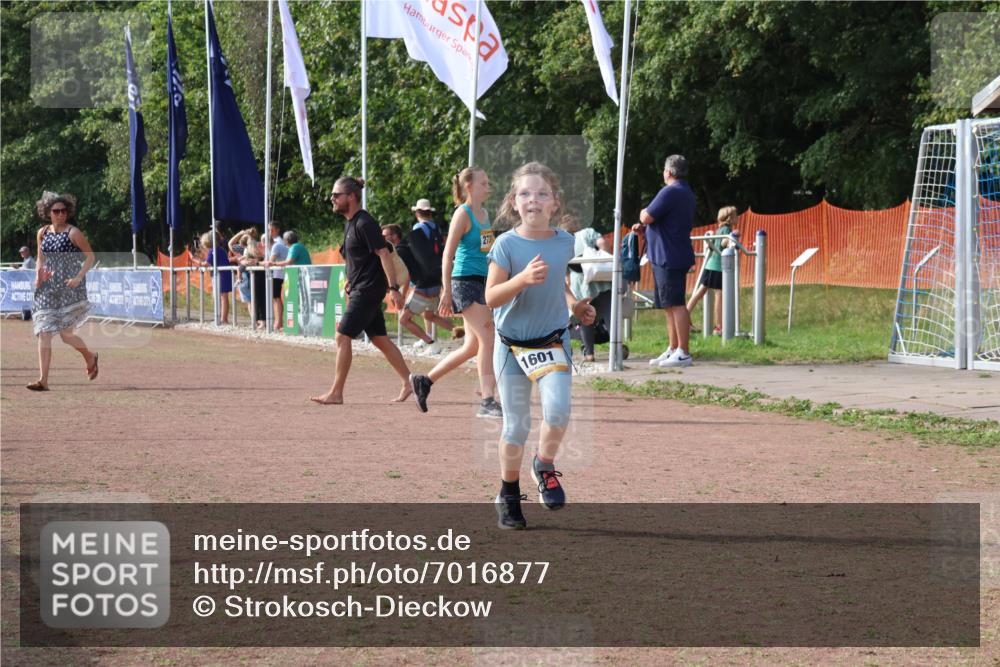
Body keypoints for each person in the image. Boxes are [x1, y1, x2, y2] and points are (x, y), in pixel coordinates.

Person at [485, 162, 596, 529]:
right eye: (525, 193)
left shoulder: (565, 242)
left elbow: (558, 283)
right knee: (516, 426)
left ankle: (544, 465)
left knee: (559, 412)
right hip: (512, 347)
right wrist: (521, 279)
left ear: (554, 203)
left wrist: (575, 305)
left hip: (552, 340)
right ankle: (509, 492)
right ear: (514, 203)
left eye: (541, 193)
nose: (533, 199)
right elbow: (491, 297)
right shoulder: (505, 244)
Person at [310, 177, 412, 405]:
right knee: (380, 339)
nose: (332, 199)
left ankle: (336, 393)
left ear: (352, 197)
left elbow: (383, 254)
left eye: (336, 195)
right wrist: (350, 281)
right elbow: (359, 260)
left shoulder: (365, 223)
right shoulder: (351, 223)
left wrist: (394, 288)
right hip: (360, 288)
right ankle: (409, 381)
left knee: (342, 335)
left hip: (368, 291)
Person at [409, 168, 502, 418]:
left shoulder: (485, 214)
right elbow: (447, 255)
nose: (488, 185)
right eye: (484, 182)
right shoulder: (463, 213)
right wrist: (446, 291)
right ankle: (488, 401)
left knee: (473, 346)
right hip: (464, 282)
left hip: (482, 282)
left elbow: (487, 251)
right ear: (469, 186)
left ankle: (424, 381)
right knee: (488, 338)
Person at [27, 192, 99, 391]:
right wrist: (38, 275)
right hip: (47, 288)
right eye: (56, 211)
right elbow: (40, 258)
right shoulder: (42, 233)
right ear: (48, 213)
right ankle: (43, 380)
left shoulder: (73, 233)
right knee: (44, 331)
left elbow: (90, 257)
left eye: (63, 211)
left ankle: (90, 356)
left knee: (66, 336)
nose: (60, 214)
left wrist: (78, 277)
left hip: (69, 287)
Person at [632, 154, 697, 368]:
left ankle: (683, 352)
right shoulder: (685, 192)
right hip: (669, 253)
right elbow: (660, 221)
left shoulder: (670, 191)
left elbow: (646, 216)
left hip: (669, 255)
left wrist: (643, 216)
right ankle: (673, 348)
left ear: (668, 172)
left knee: (676, 303)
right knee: (669, 304)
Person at [561, 214, 611, 362]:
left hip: (580, 284)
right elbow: (603, 243)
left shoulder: (564, 242)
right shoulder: (587, 233)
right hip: (601, 279)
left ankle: (589, 354)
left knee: (585, 318)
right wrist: (606, 258)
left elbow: (565, 272)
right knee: (610, 315)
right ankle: (616, 352)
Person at [687, 205, 737, 335]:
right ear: (730, 218)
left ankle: (685, 316)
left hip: (710, 265)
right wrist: (733, 236)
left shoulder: (719, 229)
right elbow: (723, 243)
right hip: (718, 267)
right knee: (719, 295)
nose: (737, 217)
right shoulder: (726, 229)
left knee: (700, 292)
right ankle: (719, 326)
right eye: (735, 215)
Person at [190, 230, 232, 324]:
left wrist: (194, 259)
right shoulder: (218, 249)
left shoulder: (214, 250)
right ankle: (222, 318)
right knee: (223, 296)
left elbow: (206, 264)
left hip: (222, 275)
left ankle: (223, 319)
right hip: (222, 274)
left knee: (223, 296)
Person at [267, 221, 289, 330]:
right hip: (275, 273)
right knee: (275, 298)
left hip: (278, 273)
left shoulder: (278, 242)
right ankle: (278, 320)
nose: (269, 232)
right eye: (268, 230)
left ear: (277, 230)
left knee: (276, 297)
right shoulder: (274, 242)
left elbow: (271, 260)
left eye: (271, 230)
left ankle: (279, 321)